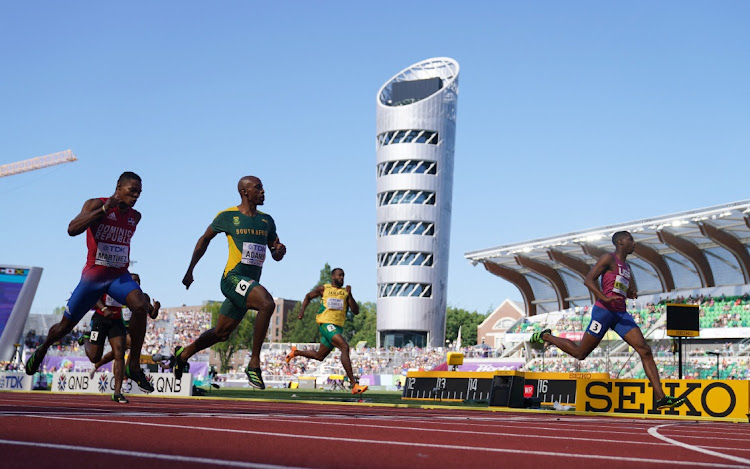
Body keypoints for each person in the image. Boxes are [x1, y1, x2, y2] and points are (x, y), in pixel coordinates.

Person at [25, 172, 154, 393]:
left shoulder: (136, 216)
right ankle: (43, 348)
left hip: (118, 276)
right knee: (64, 328)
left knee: (140, 305)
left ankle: (134, 365)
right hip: (94, 277)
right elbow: (72, 229)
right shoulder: (96, 203)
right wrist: (103, 211)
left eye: (139, 193)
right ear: (118, 187)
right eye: (132, 191)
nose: (136, 196)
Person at [530, 231, 686, 409]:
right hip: (604, 312)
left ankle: (661, 398)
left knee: (645, 350)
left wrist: (629, 293)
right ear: (620, 242)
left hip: (620, 314)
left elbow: (618, 286)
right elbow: (589, 280)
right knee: (581, 353)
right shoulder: (608, 258)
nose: (634, 243)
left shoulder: (627, 268)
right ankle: (547, 337)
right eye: (631, 240)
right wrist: (603, 297)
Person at [176, 176, 286, 390]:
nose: (263, 192)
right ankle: (254, 364)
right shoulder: (228, 216)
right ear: (245, 192)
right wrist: (190, 270)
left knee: (221, 333)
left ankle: (184, 354)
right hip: (232, 278)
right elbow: (204, 239)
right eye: (258, 188)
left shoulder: (267, 221)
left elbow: (276, 252)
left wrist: (279, 251)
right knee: (267, 303)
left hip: (250, 284)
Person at [285, 268, 368, 394]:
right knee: (344, 347)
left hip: (337, 327)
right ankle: (354, 384)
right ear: (332, 276)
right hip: (325, 324)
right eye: (340, 275)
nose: (342, 278)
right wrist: (302, 311)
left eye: (343, 276)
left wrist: (350, 294)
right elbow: (308, 296)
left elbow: (356, 311)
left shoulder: (345, 293)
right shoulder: (324, 288)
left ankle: (295, 352)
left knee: (320, 356)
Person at [83, 274, 160, 385]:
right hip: (120, 326)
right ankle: (127, 373)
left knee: (118, 352)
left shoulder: (143, 297)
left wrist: (156, 308)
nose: (136, 284)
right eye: (133, 281)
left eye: (138, 281)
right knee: (126, 348)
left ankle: (100, 367)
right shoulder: (121, 294)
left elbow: (152, 315)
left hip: (133, 329)